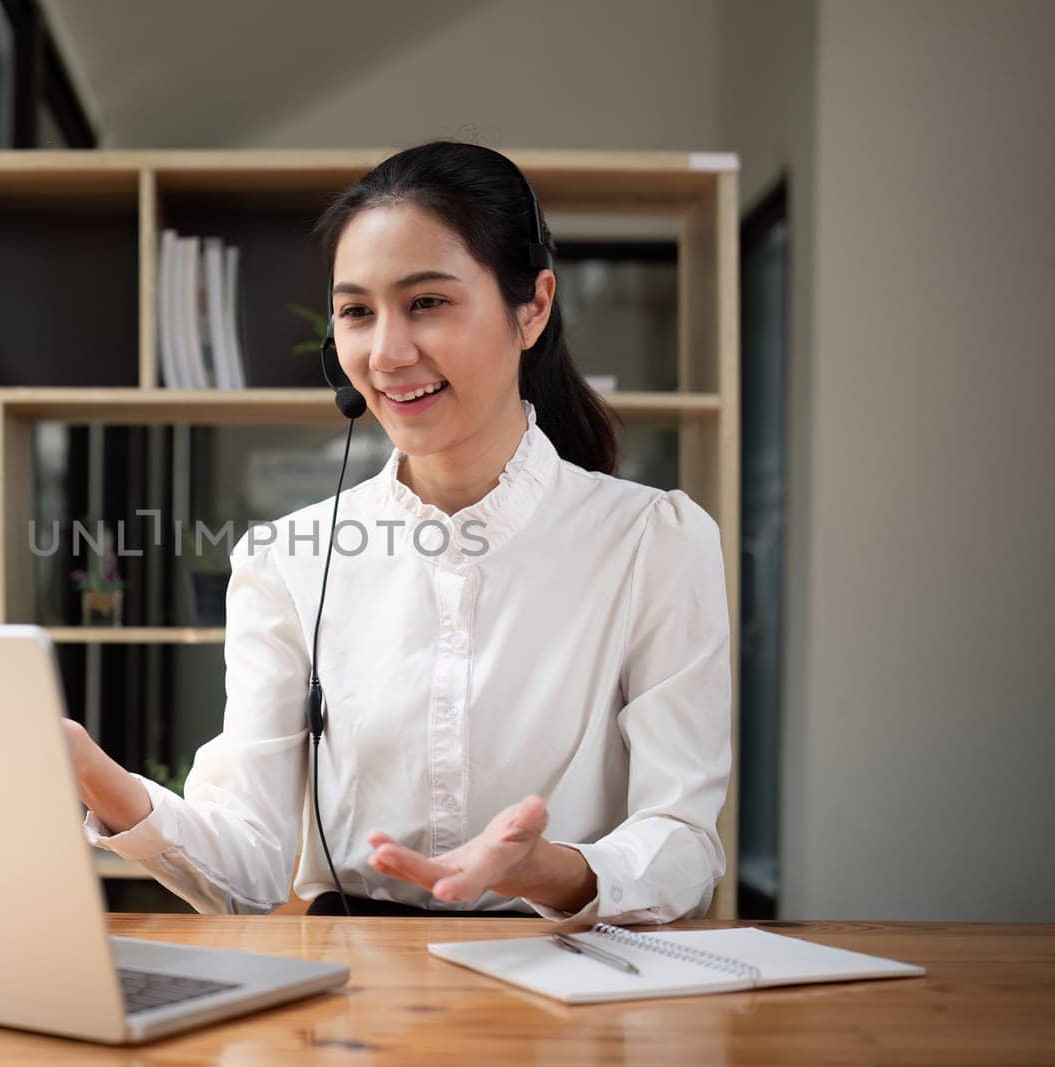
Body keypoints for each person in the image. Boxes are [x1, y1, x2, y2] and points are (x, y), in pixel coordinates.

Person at [63, 141, 731, 923]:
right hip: (351, 999)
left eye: (427, 303)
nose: (385, 353)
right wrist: (92, 772)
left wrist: (553, 871)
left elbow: (685, 840)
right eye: (356, 312)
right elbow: (246, 867)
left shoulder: (654, 542)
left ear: (533, 307)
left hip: (569, 982)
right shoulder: (286, 562)